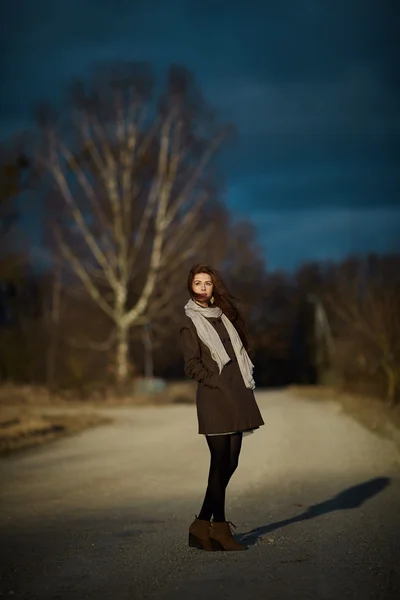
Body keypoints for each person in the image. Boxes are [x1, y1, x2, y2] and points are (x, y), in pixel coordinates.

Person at [180, 264, 265, 551]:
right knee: (219, 463)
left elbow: (240, 351)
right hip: (214, 398)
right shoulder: (190, 322)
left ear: (214, 286)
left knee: (231, 462)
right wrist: (215, 381)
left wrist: (235, 382)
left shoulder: (225, 316)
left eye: (207, 283)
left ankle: (202, 524)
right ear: (190, 286)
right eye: (197, 283)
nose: (203, 287)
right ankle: (219, 528)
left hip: (238, 395)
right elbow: (192, 365)